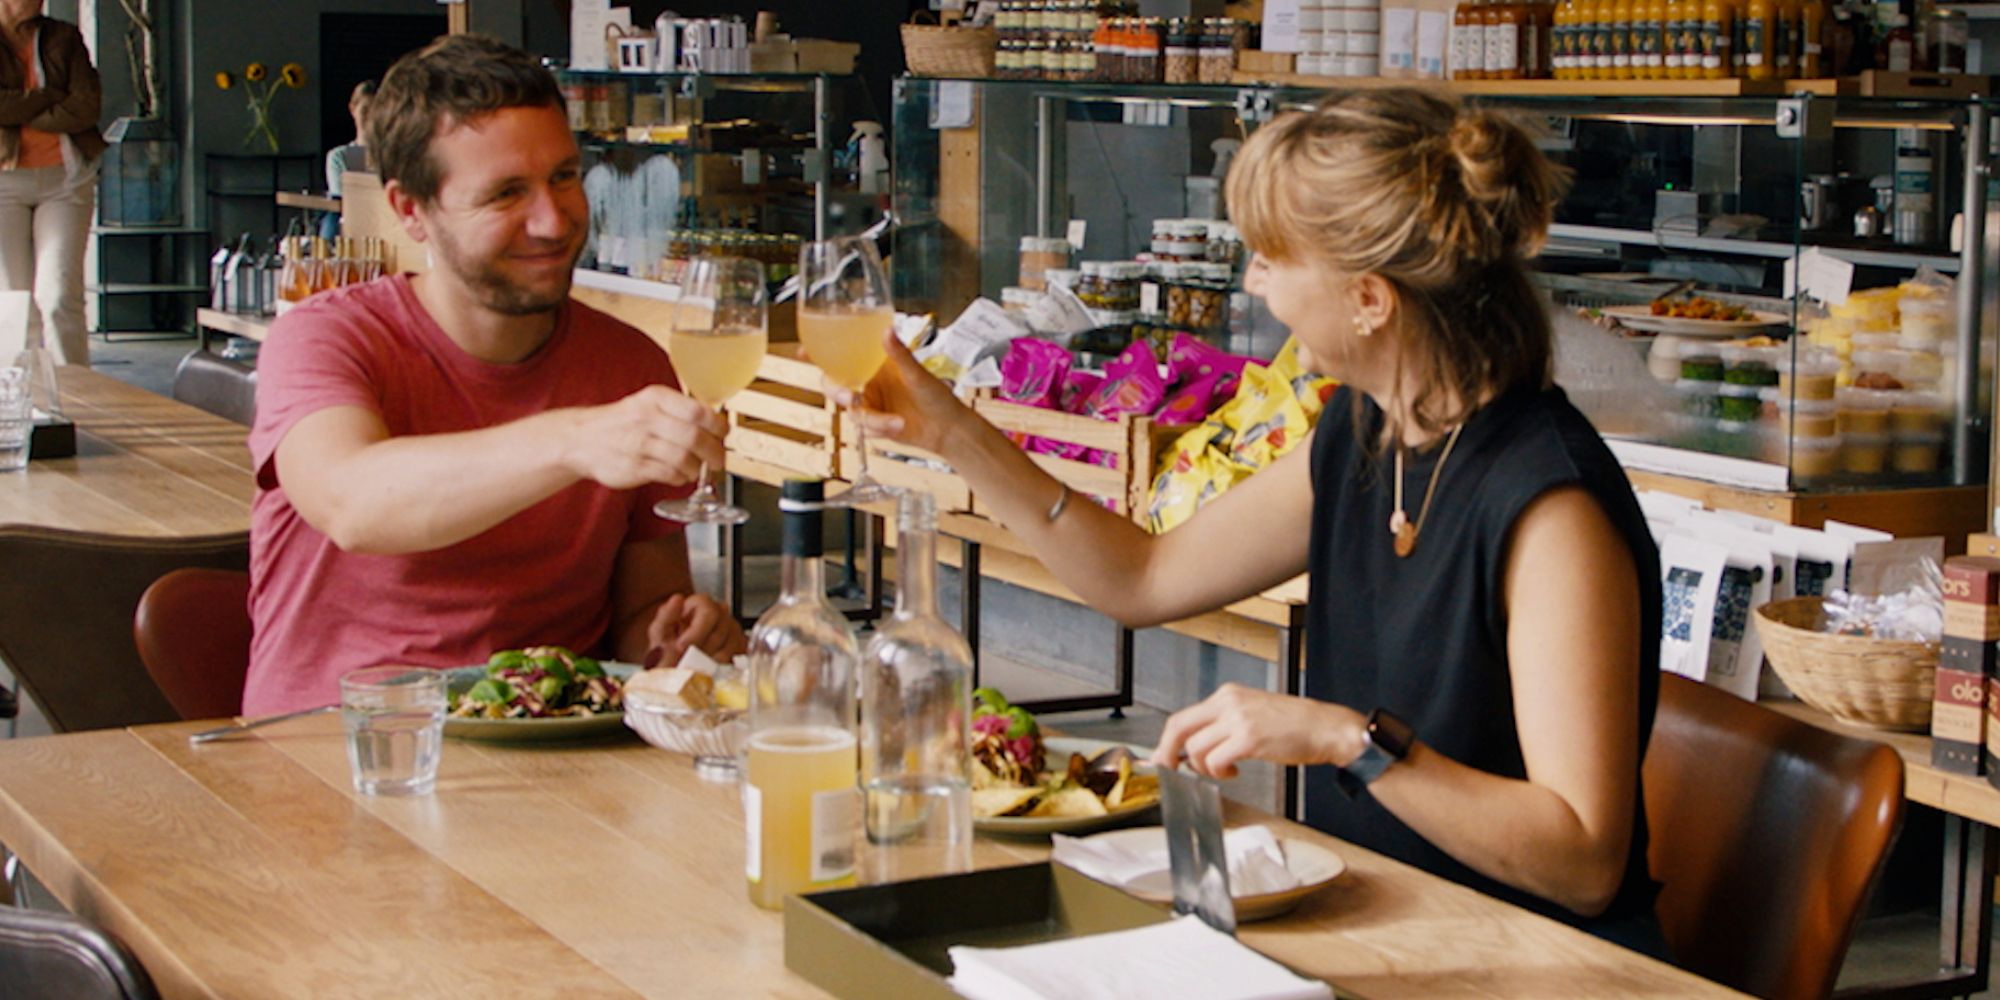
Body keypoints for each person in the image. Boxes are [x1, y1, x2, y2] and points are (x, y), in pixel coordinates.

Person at [851, 89, 1666, 953]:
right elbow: (1141, 579)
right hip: (1383, 934)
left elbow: (1582, 860)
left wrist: (1343, 737)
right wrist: (950, 430)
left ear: (1369, 299)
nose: (1252, 281)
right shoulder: (1366, 432)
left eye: (1273, 257)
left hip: (1535, 966)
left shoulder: (1551, 509)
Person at [245, 34, 745, 714]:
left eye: (564, 177)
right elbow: (353, 505)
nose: (553, 219)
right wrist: (573, 441)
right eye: (506, 193)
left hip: (557, 753)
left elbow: (640, 623)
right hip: (341, 750)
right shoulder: (328, 336)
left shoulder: (629, 364)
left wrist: (674, 638)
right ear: (409, 211)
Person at [0, 0, 101, 367]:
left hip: (65, 179)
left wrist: (21, 112)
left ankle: (77, 403)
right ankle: (23, 403)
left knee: (59, 296)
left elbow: (87, 107)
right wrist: (49, 98)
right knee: (14, 301)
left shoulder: (63, 37)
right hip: (4, 182)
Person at [319, 79, 374, 242]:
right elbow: (341, 200)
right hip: (349, 220)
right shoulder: (338, 156)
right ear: (353, 110)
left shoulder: (394, 155)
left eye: (375, 111)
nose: (370, 117)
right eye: (365, 110)